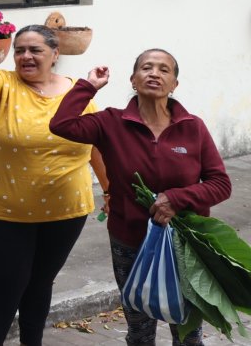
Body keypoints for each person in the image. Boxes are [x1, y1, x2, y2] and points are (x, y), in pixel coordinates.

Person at [50, 50, 231, 346]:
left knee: (187, 331)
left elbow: (220, 184)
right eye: (146, 68)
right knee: (139, 330)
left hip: (186, 245)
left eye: (164, 70)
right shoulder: (110, 122)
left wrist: (177, 198)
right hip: (130, 240)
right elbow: (61, 125)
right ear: (133, 80)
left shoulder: (193, 127)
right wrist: (88, 86)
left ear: (174, 84)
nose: (154, 74)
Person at [0, 3, 108, 346]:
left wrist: (111, 191)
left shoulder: (77, 92)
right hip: (1, 210)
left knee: (41, 283)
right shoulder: (0, 85)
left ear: (54, 55)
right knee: (9, 280)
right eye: (19, 50)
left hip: (65, 211)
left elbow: (96, 145)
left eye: (35, 49)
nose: (25, 56)